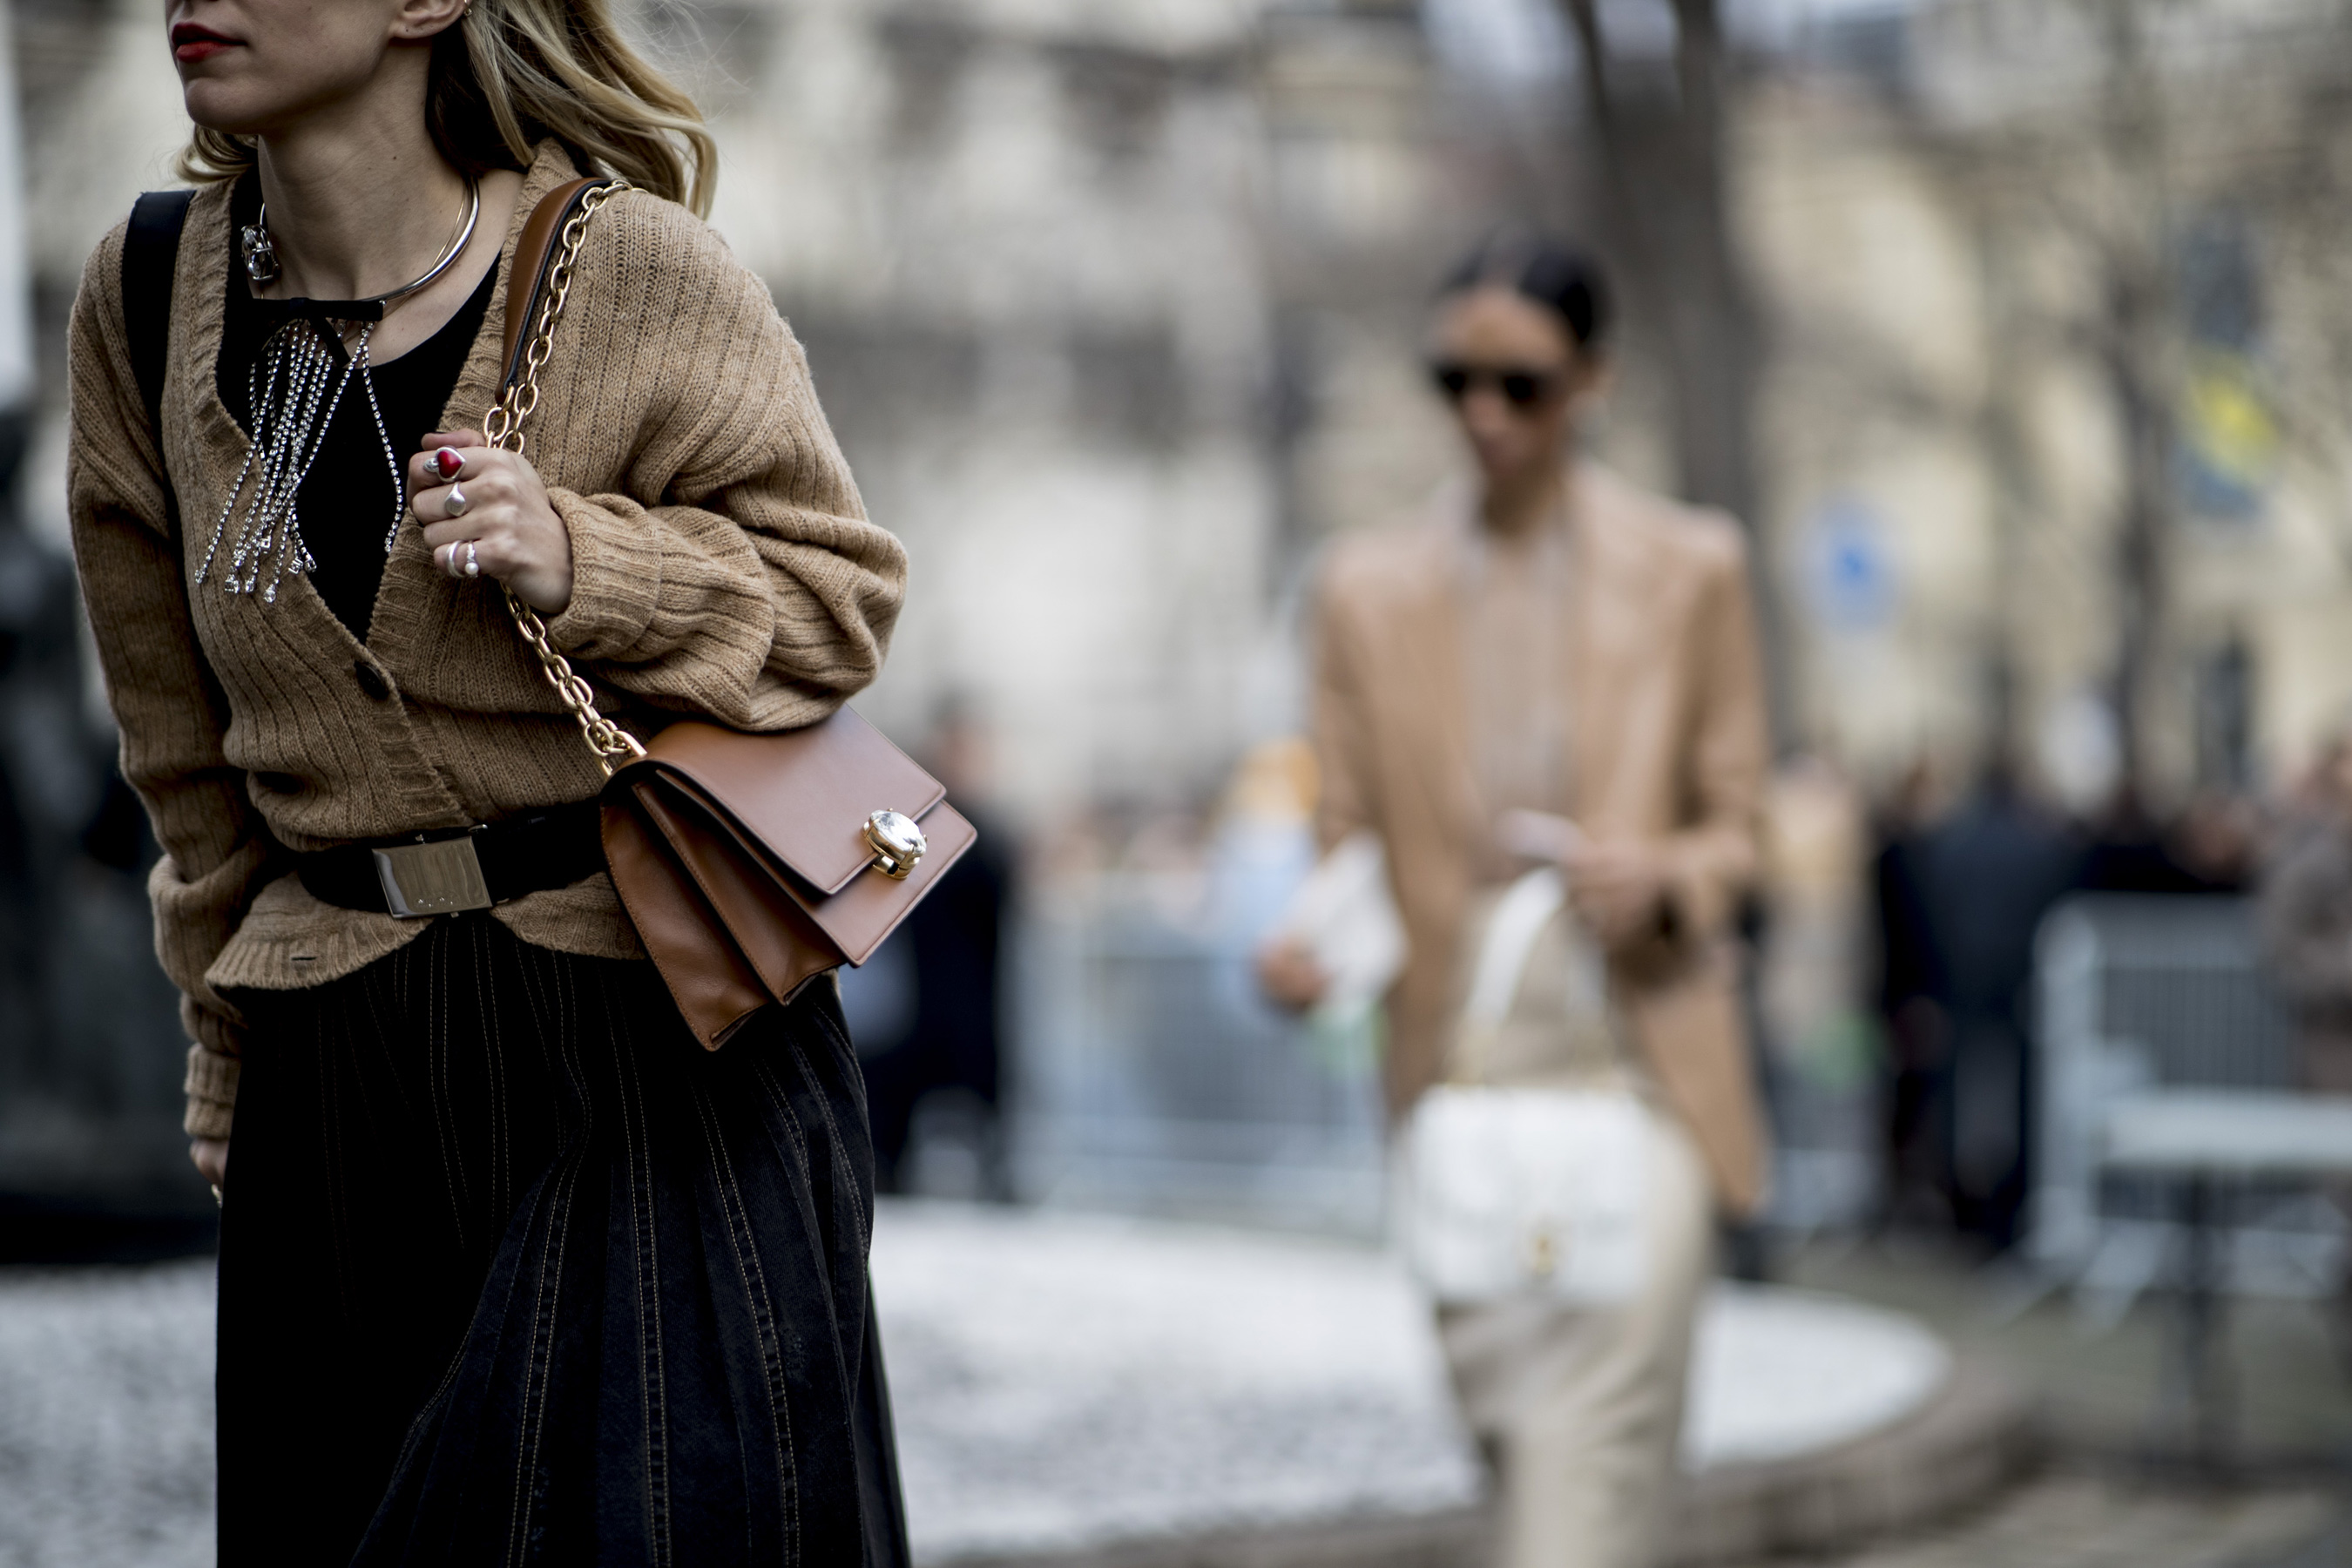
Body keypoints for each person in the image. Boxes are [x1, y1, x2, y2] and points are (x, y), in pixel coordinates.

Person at [69, 2, 909, 1559]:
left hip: (650, 1039)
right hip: (340, 1065)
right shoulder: (141, 297)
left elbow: (835, 608)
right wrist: (222, 1031)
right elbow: (178, 754)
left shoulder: (637, 267)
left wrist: (587, 555)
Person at [1260, 233, 1771, 1568]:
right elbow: (1348, 833)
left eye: (1521, 383)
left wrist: (1665, 872)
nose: (1484, 413)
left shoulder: (1692, 567)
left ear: (1591, 382)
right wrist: (1312, 950)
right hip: (1459, 1079)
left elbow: (1743, 830)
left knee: (1572, 1481)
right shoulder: (1363, 590)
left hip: (1642, 1060)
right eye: (1455, 380)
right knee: (1541, 1461)